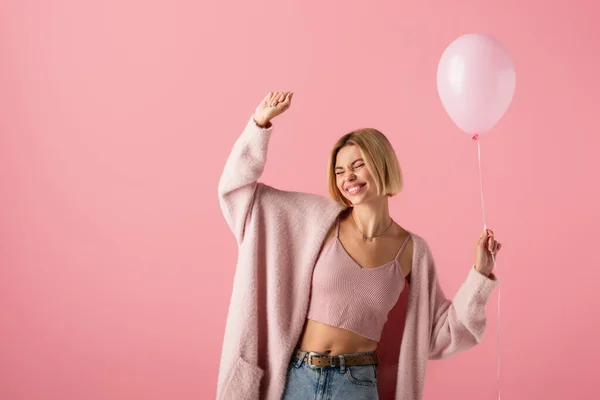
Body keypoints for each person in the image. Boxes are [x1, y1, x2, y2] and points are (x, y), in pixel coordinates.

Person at [216, 92, 501, 400]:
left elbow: (441, 334)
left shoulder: (412, 252)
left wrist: (480, 275)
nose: (347, 177)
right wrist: (259, 125)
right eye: (339, 171)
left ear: (381, 165)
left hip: (356, 385)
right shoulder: (315, 222)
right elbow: (239, 194)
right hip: (297, 378)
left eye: (357, 165)